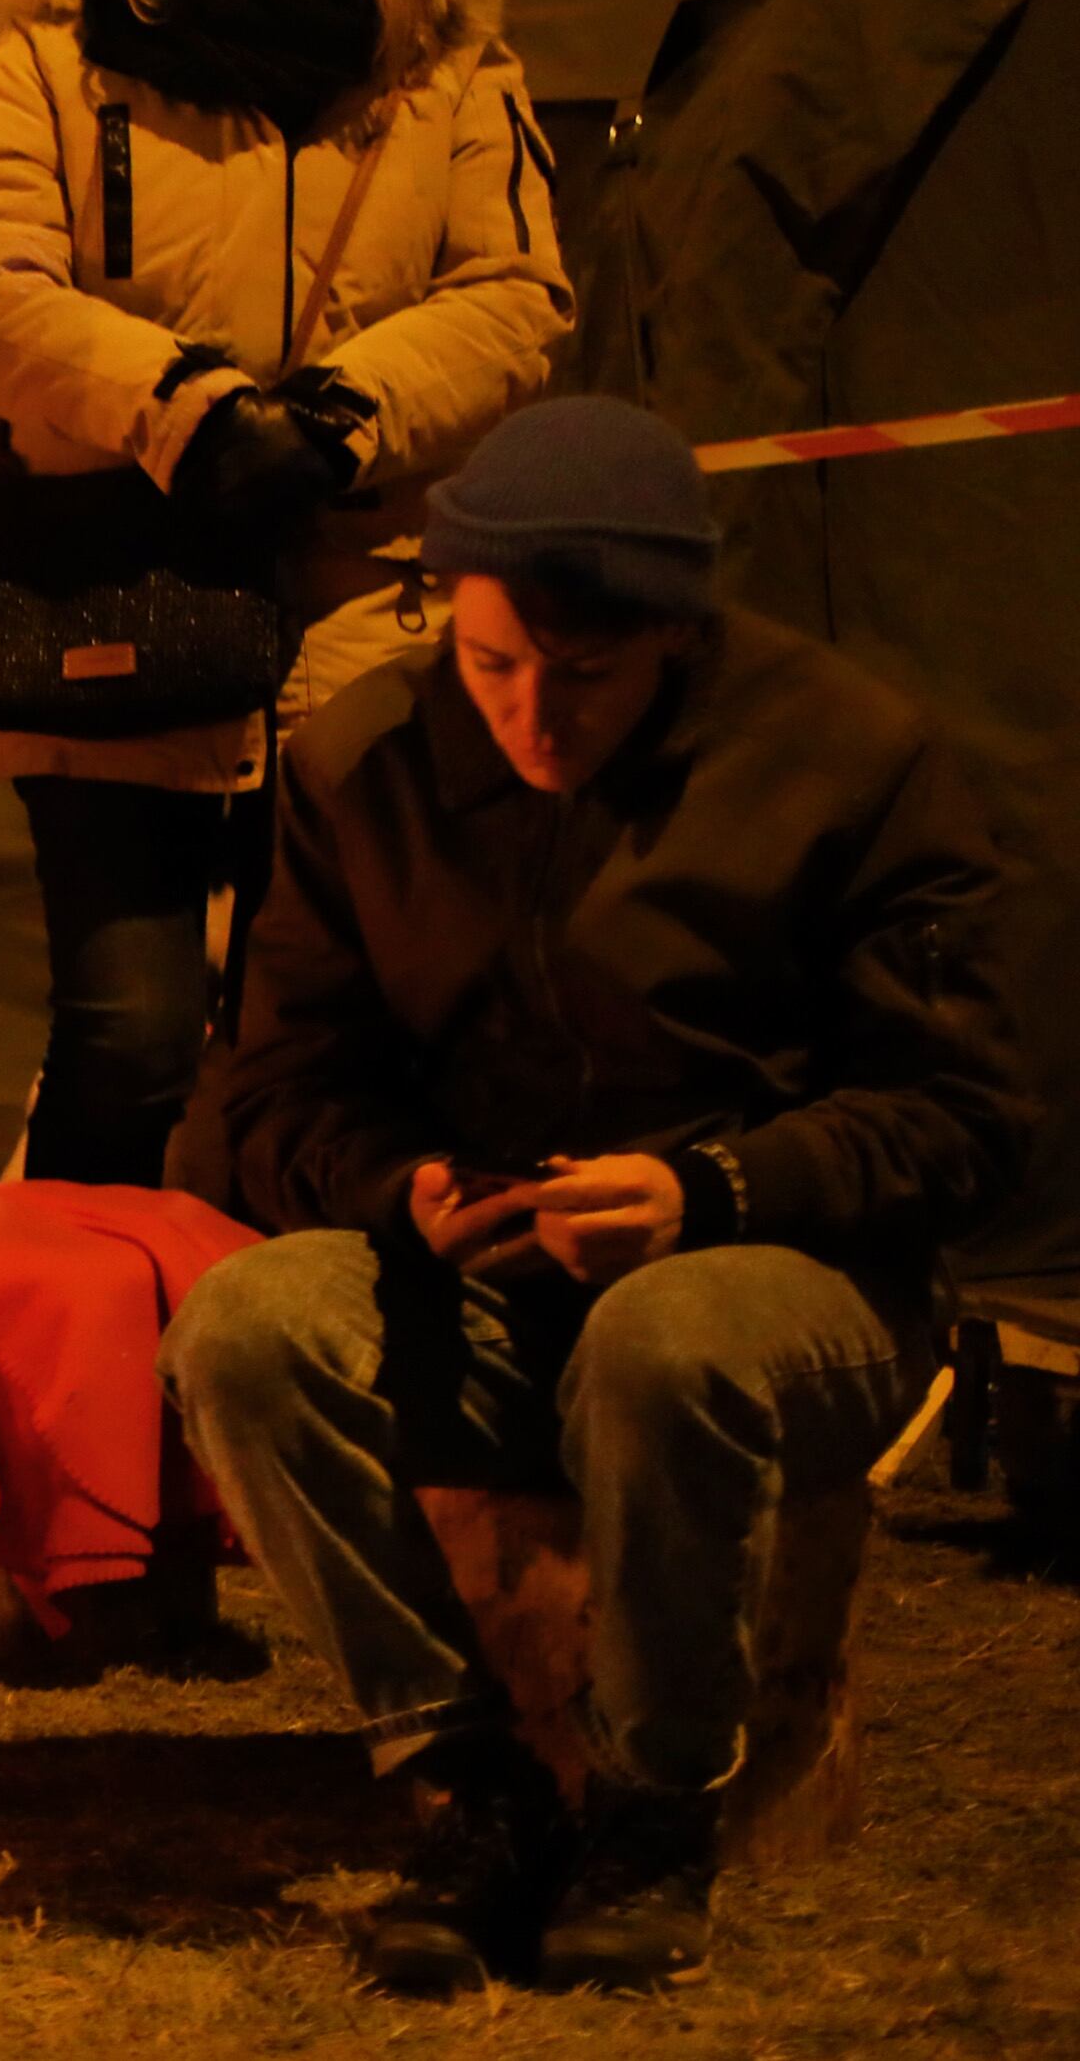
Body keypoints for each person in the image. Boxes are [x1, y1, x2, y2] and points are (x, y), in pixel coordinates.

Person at [156, 397, 1030, 1996]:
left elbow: (966, 1122)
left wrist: (711, 1186)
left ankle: (649, 1803)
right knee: (244, 1325)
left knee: (665, 1336)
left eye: (589, 673)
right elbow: (266, 1099)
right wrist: (399, 1186)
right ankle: (464, 1779)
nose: (534, 717)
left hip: (788, 1277)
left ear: (676, 636)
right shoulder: (368, 762)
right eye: (493, 665)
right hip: (493, 1274)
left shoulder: (845, 758)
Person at [0, 0, 576, 1186]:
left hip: (371, 615)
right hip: (111, 606)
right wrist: (191, 413)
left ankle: (305, 1371)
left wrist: (352, 413)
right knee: (127, 1038)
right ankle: (83, 1379)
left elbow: (519, 289)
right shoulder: (46, 64)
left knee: (361, 1038)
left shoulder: (451, 75)